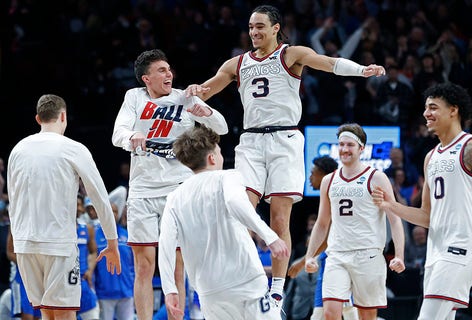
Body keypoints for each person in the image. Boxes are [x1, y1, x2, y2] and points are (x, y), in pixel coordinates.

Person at [185, 5, 386, 309]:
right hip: (251, 140)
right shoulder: (236, 63)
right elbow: (206, 90)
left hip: (285, 140)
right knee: (240, 211)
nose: (254, 32)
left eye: (261, 27)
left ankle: (276, 291)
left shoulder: (290, 54)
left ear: (276, 28)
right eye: (251, 27)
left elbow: (329, 63)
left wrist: (362, 70)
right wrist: (192, 93)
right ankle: (243, 278)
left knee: (280, 217)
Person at [372, 83, 472, 320]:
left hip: (462, 248)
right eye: (425, 108)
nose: (426, 114)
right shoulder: (430, 157)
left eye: (433, 107)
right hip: (435, 252)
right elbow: (426, 216)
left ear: (453, 110)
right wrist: (390, 205)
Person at [112, 49, 228, 320]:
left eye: (169, 69)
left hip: (178, 188)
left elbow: (221, 128)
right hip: (142, 190)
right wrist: (132, 135)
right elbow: (118, 132)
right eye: (161, 70)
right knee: (144, 266)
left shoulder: (185, 96)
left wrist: (205, 110)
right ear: (146, 79)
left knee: (177, 265)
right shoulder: (134, 97)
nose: (169, 74)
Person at [7, 94, 121, 320]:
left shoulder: (18, 150)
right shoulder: (73, 148)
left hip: (25, 245)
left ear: (38, 119)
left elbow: (13, 199)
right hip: (58, 243)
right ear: (63, 116)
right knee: (65, 313)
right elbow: (99, 197)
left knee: (47, 313)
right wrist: (112, 241)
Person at [157, 125, 289, 320]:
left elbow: (165, 245)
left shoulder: (174, 197)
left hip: (209, 291)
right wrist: (270, 237)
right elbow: (235, 202)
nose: (220, 157)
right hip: (246, 280)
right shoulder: (228, 176)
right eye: (218, 152)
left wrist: (169, 289)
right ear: (211, 158)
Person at [303, 123, 405, 320]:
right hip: (337, 255)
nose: (344, 149)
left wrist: (399, 255)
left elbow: (395, 219)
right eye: (341, 144)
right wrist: (310, 256)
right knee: (330, 313)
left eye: (350, 145)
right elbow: (322, 223)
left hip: (367, 255)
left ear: (361, 148)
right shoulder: (329, 181)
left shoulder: (377, 178)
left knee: (366, 316)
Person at [287, 155, 359, 320]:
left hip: (343, 256)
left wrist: (304, 260)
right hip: (329, 257)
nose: (310, 177)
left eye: (313, 173)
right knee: (319, 314)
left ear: (325, 175)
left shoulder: (338, 193)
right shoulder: (328, 193)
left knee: (348, 309)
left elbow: (328, 238)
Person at [6, 228, 41, 320]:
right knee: (27, 316)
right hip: (20, 279)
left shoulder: (42, 223)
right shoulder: (16, 222)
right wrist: (28, 263)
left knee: (37, 316)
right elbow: (9, 253)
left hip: (37, 279)